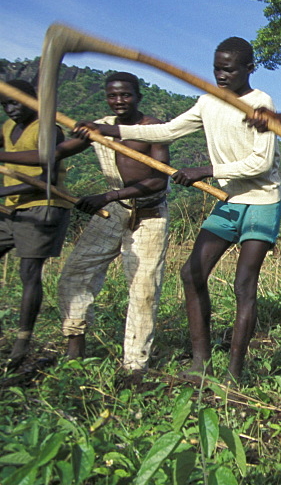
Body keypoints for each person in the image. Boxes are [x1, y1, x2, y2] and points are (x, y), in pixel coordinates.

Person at [77, 38, 281, 383]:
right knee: (192, 273)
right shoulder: (207, 102)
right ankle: (201, 363)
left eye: (228, 69)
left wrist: (207, 171)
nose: (220, 75)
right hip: (229, 201)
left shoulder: (261, 103)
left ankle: (234, 373)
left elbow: (261, 162)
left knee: (243, 284)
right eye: (217, 68)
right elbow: (167, 131)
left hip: (262, 200)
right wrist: (109, 129)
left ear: (249, 69)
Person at [2, 73, 170, 378]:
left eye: (126, 95)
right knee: (75, 275)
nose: (119, 101)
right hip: (114, 212)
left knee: (143, 290)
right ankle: (74, 353)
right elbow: (54, 153)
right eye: (113, 96)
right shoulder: (98, 126)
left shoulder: (152, 129)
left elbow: (159, 178)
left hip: (149, 214)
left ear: (138, 97)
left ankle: (135, 366)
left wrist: (107, 195)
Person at [0, 80, 73, 368]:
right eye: (6, 104)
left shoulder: (48, 129)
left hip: (43, 206)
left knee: (29, 271)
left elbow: (48, 181)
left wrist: (4, 191)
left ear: (32, 100)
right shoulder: (7, 127)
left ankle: (22, 342)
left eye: (16, 103)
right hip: (10, 208)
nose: (11, 109)